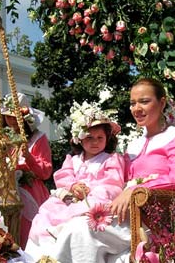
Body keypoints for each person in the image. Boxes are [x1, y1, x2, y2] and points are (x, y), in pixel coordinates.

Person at [35, 78, 175, 263]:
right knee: (71, 224)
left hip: (152, 219)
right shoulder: (134, 144)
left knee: (81, 229)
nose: (137, 108)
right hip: (122, 213)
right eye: (132, 103)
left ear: (162, 102)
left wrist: (137, 189)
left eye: (144, 101)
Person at [28, 105, 126, 246]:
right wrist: (73, 186)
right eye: (89, 137)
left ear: (107, 139)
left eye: (100, 137)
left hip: (95, 198)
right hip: (69, 198)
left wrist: (90, 191)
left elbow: (112, 183)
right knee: (45, 212)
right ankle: (43, 247)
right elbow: (63, 176)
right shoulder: (73, 160)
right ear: (79, 139)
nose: (95, 142)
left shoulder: (111, 159)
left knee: (81, 212)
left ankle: (60, 234)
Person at [0, 93, 53, 248]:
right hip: (4, 191)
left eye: (15, 117)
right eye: (8, 117)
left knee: (27, 236)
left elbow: (45, 172)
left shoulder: (38, 138)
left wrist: (28, 157)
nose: (11, 121)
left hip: (30, 192)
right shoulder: (1, 138)